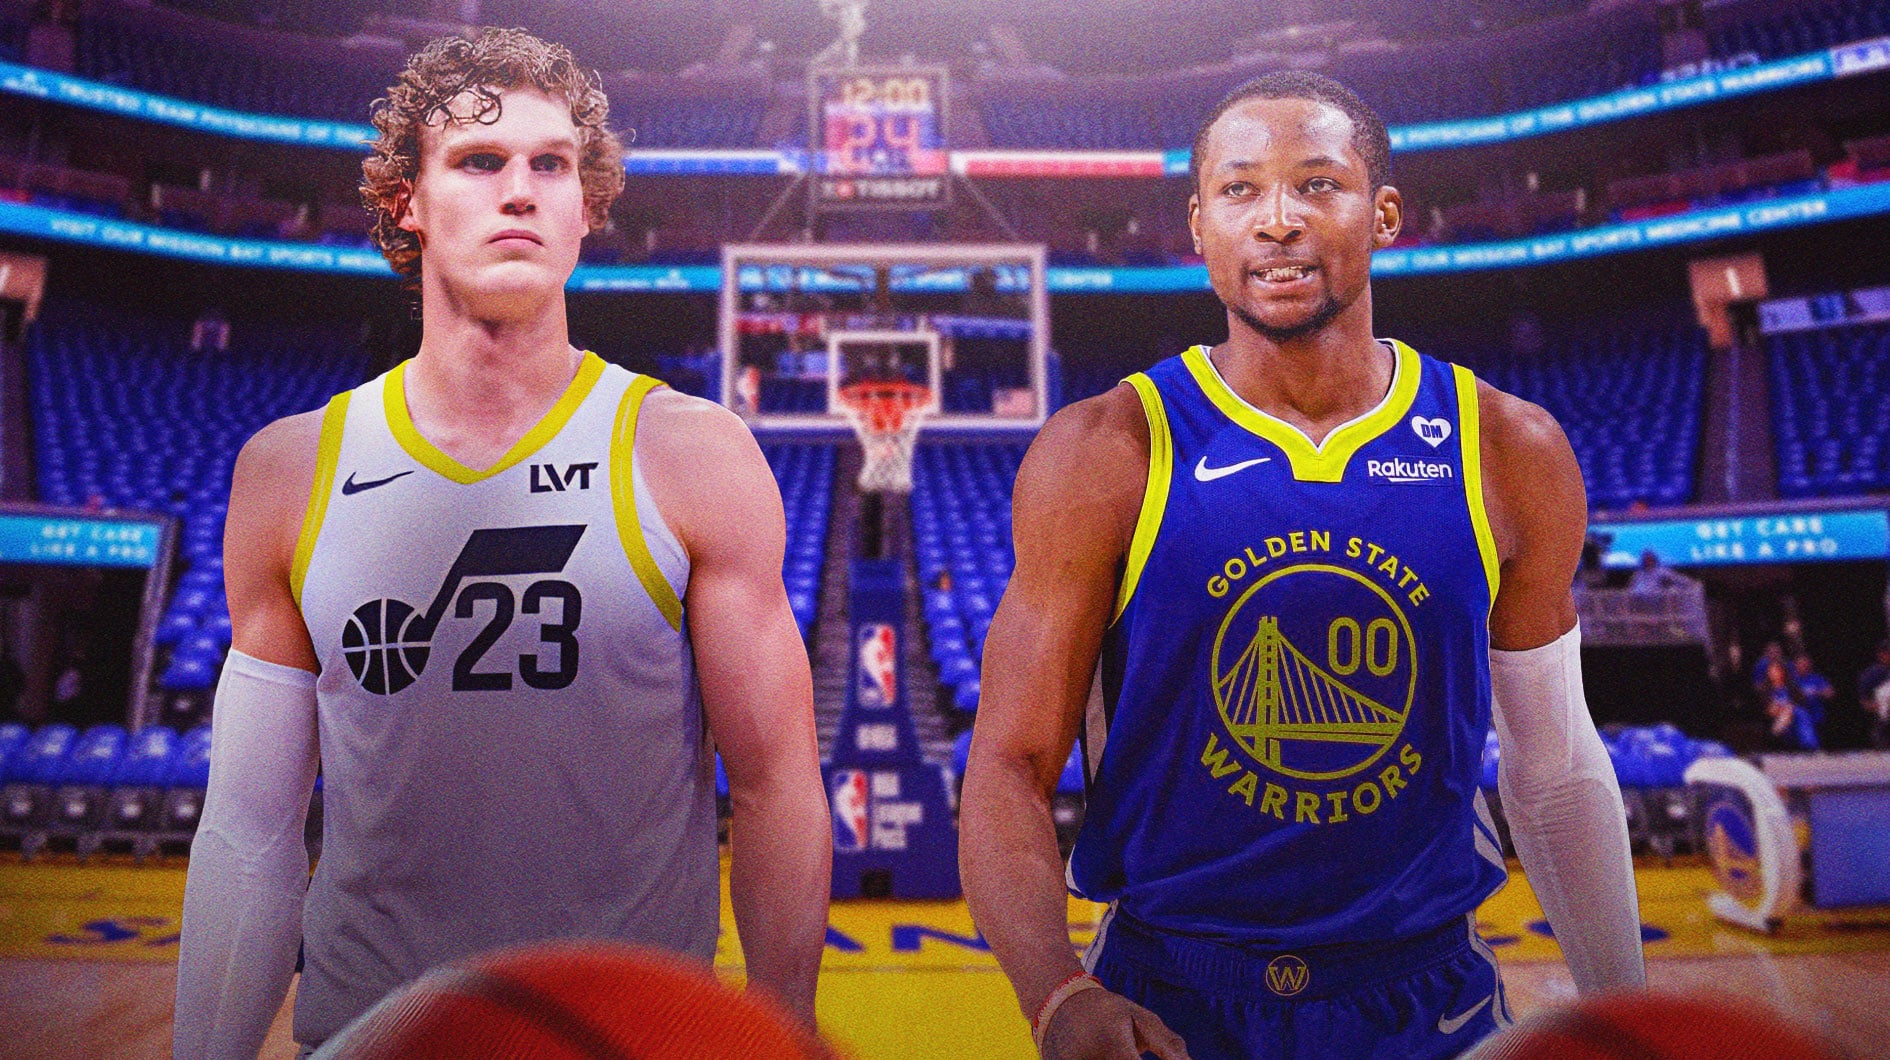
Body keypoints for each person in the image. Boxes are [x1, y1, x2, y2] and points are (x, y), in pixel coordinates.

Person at [960, 71, 1644, 1060]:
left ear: (1386, 212)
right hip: (1168, 995)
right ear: (1199, 227)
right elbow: (1009, 765)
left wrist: (1627, 1015)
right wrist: (1057, 992)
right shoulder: (1106, 448)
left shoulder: (1507, 445)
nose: (1277, 219)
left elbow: (1556, 764)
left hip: (1428, 998)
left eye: (1317, 184)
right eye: (1241, 190)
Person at [174, 30, 831, 1059]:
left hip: (629, 1039)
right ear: (408, 201)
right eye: (479, 161)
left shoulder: (694, 454)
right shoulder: (289, 469)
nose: (519, 189)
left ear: (585, 207)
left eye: (551, 164)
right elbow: (250, 831)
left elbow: (775, 782)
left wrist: (781, 1032)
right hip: (368, 1034)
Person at [1859, 639, 1890, 749]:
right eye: (1886, 653)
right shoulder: (1872, 673)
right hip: (1882, 714)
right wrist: (1880, 708)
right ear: (1880, 654)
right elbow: (1864, 700)